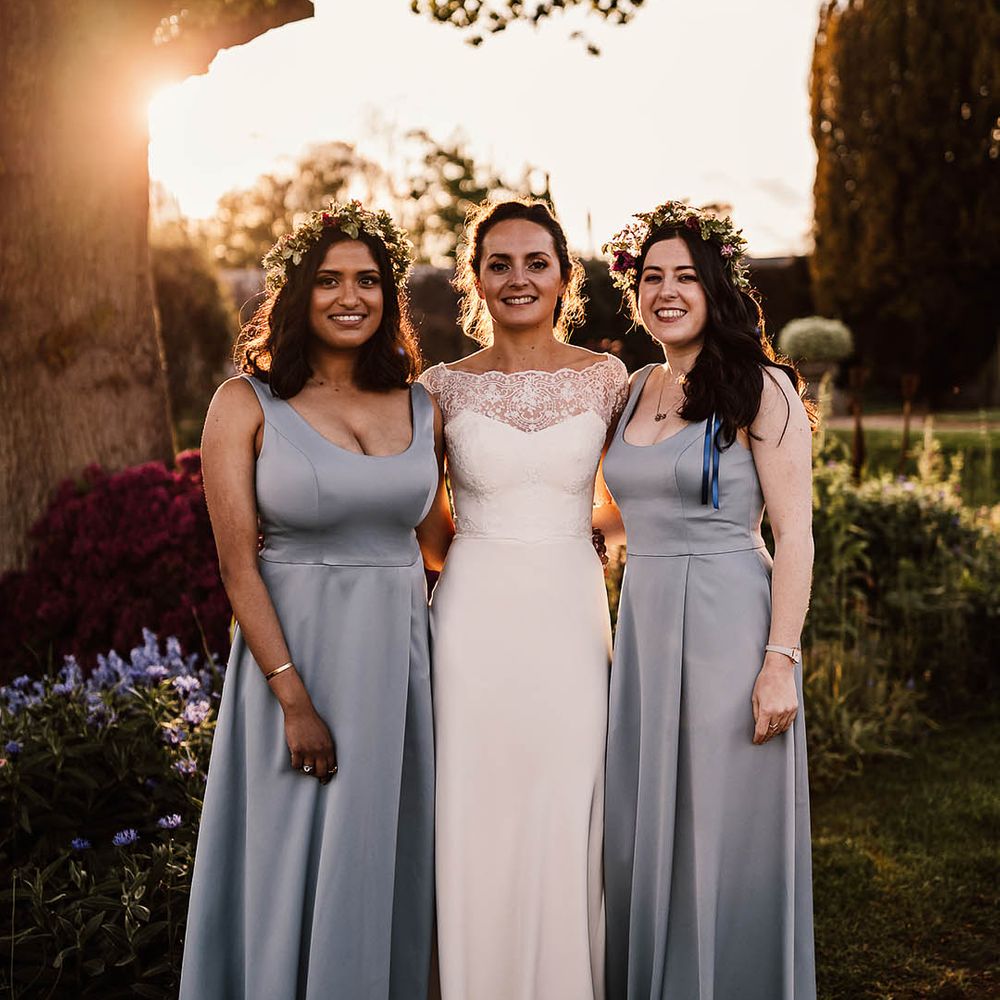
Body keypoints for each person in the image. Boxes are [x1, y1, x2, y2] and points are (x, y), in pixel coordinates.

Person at [180, 201, 451, 1000]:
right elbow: (238, 568)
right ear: (295, 292)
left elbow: (439, 543)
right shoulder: (245, 404)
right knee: (290, 853)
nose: (350, 297)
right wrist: (292, 697)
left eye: (369, 281)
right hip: (292, 665)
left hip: (400, 668)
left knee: (382, 852)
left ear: (388, 297)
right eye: (329, 279)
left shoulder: (421, 405)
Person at [596, 201, 817, 1000]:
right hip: (647, 623)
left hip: (731, 624)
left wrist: (779, 661)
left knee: (725, 832)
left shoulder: (763, 389)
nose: (666, 291)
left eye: (686, 276)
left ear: (717, 287)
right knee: (648, 825)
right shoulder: (632, 389)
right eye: (652, 276)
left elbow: (795, 534)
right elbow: (631, 509)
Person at [419, 199, 628, 1000]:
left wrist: (588, 537)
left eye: (536, 262)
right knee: (476, 802)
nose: (518, 278)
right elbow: (426, 521)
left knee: (568, 793)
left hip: (571, 619)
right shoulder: (441, 388)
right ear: (475, 280)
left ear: (564, 277)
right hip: (473, 619)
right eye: (498, 263)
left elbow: (632, 491)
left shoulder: (608, 379)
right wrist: (489, 550)